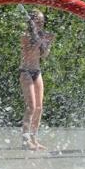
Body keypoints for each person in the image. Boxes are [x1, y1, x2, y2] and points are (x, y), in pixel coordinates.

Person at [20, 10, 53, 151]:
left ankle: (34, 139)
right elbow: (28, 50)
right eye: (37, 21)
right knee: (31, 107)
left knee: (39, 108)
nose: (40, 23)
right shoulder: (25, 36)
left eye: (42, 21)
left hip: (37, 71)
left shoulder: (43, 36)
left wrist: (48, 45)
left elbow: (44, 56)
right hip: (25, 71)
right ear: (31, 22)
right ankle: (25, 140)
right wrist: (40, 40)